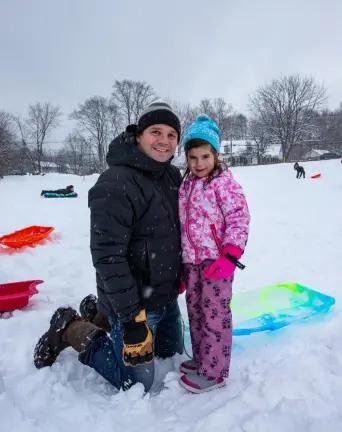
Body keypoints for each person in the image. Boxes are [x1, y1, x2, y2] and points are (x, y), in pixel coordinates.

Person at [33, 102, 184, 392]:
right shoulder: (115, 182)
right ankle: (70, 327)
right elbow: (107, 256)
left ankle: (99, 311)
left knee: (170, 354)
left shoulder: (171, 176)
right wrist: (131, 318)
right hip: (134, 304)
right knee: (135, 382)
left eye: (171, 135)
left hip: (164, 296)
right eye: (156, 132)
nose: (164, 141)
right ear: (139, 135)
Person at [177, 115, 250, 393]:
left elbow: (239, 218)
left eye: (205, 156)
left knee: (215, 315)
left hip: (217, 261)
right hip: (192, 262)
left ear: (216, 154)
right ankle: (202, 359)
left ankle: (215, 371)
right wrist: (183, 265)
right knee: (195, 312)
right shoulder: (186, 186)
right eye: (193, 157)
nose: (199, 163)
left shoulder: (223, 183)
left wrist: (229, 256)